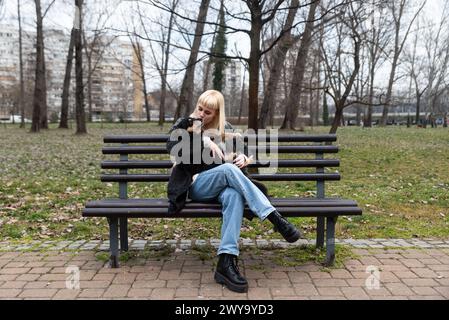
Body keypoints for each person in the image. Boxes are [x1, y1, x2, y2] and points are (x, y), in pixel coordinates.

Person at [166, 90, 301, 293]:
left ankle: (226, 262)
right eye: (200, 108)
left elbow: (247, 151)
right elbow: (172, 146)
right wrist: (203, 138)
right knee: (228, 170)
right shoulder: (187, 124)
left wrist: (246, 158)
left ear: (218, 113)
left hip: (222, 189)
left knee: (234, 194)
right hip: (196, 186)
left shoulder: (227, 130)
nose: (202, 113)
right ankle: (273, 217)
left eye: (208, 112)